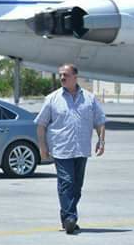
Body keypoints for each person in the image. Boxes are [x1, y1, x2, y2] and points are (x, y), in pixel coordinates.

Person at [35, 64, 106, 234]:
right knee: (66, 182)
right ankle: (70, 218)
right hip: (61, 148)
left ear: (75, 77)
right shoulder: (52, 99)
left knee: (77, 186)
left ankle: (67, 217)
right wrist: (42, 147)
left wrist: (101, 141)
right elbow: (41, 124)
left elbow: (100, 121)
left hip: (81, 149)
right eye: (60, 75)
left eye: (65, 75)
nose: (62, 78)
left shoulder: (89, 98)